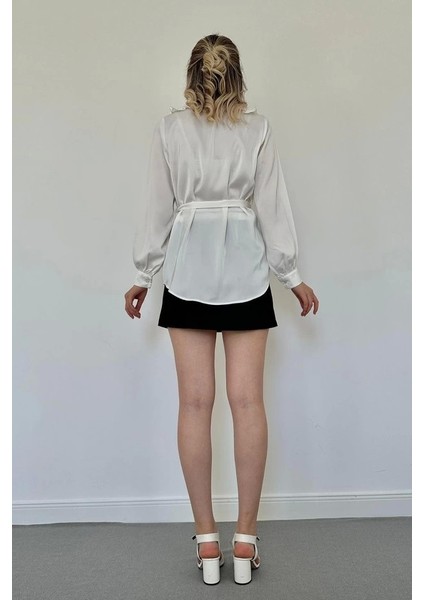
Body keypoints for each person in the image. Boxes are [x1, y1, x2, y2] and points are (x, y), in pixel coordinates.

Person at [124, 33, 319, 585]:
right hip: (246, 274)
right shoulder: (257, 129)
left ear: (192, 75)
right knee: (247, 402)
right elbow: (272, 206)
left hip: (186, 273)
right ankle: (245, 540)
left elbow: (157, 207)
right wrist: (291, 275)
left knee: (194, 404)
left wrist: (143, 275)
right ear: (237, 76)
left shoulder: (170, 130)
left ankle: (207, 541)